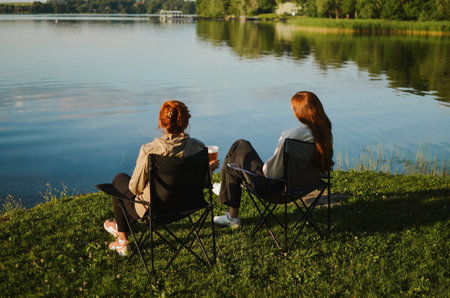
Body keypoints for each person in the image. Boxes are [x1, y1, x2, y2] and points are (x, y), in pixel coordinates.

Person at [103, 100, 220, 256]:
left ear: (161, 123)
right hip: (189, 205)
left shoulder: (150, 150)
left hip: (155, 211)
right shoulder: (199, 148)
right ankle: (119, 226)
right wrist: (206, 169)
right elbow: (202, 182)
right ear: (186, 123)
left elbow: (134, 188)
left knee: (119, 180)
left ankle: (122, 242)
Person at [213, 91, 333, 228]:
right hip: (307, 185)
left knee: (239, 147)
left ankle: (231, 211)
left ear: (299, 112)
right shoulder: (325, 132)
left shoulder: (291, 136)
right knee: (237, 155)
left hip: (277, 191)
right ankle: (225, 190)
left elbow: (271, 173)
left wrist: (265, 166)